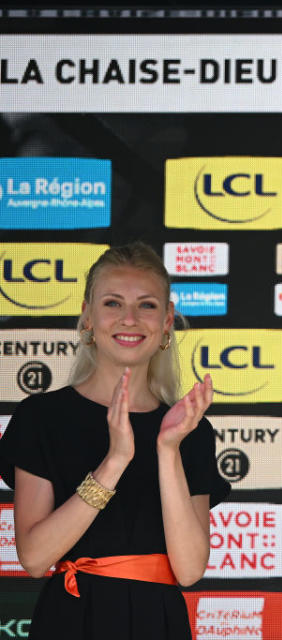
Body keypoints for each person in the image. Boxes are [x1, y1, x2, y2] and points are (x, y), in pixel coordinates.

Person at [0, 242, 230, 640]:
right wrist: (115, 461)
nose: (129, 319)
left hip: (158, 624)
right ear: (87, 317)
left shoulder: (190, 430)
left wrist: (167, 449)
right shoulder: (41, 418)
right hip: (70, 620)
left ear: (167, 322)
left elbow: (190, 570)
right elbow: (35, 558)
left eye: (146, 305)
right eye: (112, 303)